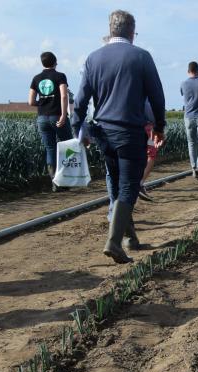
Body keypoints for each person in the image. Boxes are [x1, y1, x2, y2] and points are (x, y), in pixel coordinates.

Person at [72, 9, 166, 264]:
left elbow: (80, 100)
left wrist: (79, 129)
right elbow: (157, 96)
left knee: (116, 182)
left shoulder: (93, 58)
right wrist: (159, 126)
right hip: (129, 133)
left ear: (111, 29)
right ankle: (113, 242)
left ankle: (130, 238)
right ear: (132, 32)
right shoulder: (141, 57)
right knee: (129, 186)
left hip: (103, 133)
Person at [29, 51, 72, 192]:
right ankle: (67, 179)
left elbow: (31, 101)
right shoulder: (60, 76)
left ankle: (54, 182)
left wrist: (43, 103)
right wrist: (63, 115)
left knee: (50, 148)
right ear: (55, 62)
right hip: (57, 115)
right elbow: (64, 96)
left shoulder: (36, 78)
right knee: (68, 145)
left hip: (42, 118)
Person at [138, 101, 157, 201]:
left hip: (133, 128)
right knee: (151, 155)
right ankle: (139, 184)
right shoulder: (148, 99)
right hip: (149, 128)